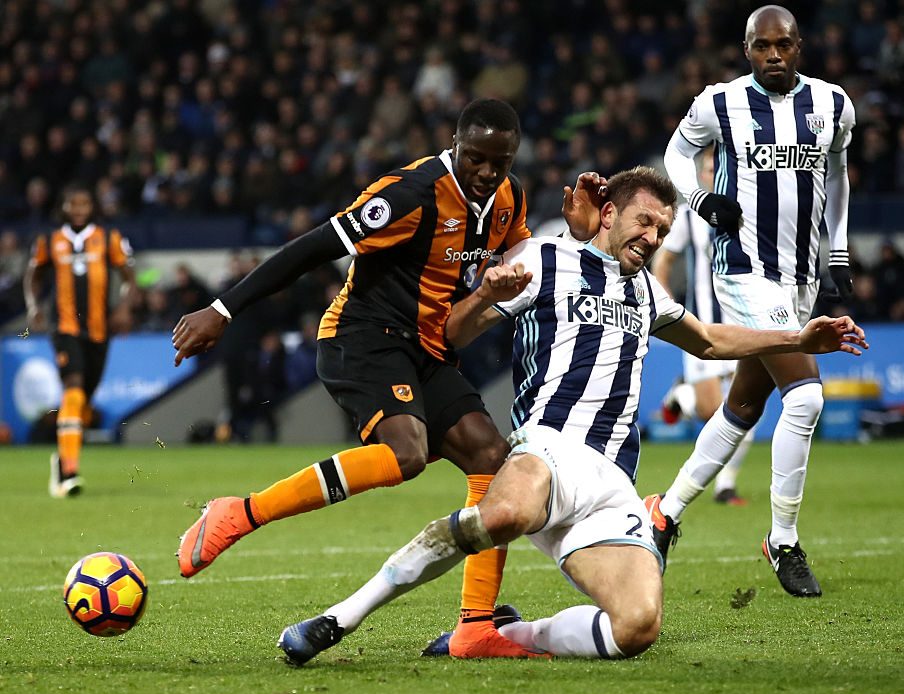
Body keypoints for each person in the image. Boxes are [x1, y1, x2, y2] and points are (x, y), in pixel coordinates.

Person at [274, 166, 867, 665]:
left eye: (662, 229)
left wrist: (798, 338)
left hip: (612, 483)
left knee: (637, 628)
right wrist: (486, 295)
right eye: (644, 221)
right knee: (505, 511)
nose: (653, 236)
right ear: (608, 214)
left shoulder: (649, 295)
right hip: (547, 447)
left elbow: (709, 341)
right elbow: (452, 333)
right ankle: (340, 617)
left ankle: (502, 634)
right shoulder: (546, 260)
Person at [170, 99, 606, 658]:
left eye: (500, 161)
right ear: (455, 145)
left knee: (490, 456)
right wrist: (222, 311)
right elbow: (311, 248)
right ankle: (239, 513)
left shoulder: (509, 198)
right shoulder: (409, 193)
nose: (486, 172)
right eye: (475, 158)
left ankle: (475, 628)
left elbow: (523, 259)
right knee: (406, 455)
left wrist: (577, 242)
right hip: (361, 336)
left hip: (426, 347)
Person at [648, 4, 857, 598]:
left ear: (799, 47)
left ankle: (664, 513)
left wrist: (836, 256)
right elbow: (675, 155)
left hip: (799, 276)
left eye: (783, 45)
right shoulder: (720, 102)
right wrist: (702, 201)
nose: (773, 54)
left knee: (742, 406)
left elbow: (839, 178)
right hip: (742, 271)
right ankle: (783, 539)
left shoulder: (833, 105)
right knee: (808, 396)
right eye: (761, 45)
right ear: (746, 50)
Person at [23, 184, 137, 497]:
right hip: (65, 329)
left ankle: (62, 459)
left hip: (99, 332)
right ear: (64, 207)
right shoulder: (49, 240)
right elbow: (32, 275)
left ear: (92, 206)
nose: (78, 209)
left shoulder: (109, 238)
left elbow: (129, 278)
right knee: (72, 390)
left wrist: (125, 308)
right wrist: (34, 307)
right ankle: (69, 471)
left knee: (83, 401)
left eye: (84, 203)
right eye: (73, 203)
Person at [652, 151, 752, 506]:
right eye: (708, 169)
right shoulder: (691, 216)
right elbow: (663, 262)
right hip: (703, 326)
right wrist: (670, 310)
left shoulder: (747, 208)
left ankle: (725, 486)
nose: (714, 174)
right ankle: (684, 397)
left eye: (718, 168)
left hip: (742, 322)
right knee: (715, 413)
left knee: (746, 406)